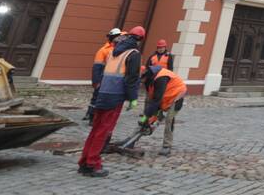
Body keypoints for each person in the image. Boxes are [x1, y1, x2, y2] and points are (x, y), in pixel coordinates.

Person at [77, 25, 145, 178]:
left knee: (96, 129)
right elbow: (132, 78)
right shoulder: (134, 54)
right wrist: (133, 98)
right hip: (116, 95)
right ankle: (92, 164)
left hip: (103, 92)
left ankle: (84, 161)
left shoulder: (113, 50)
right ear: (139, 40)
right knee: (103, 131)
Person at [139, 64, 186, 156]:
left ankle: (167, 145)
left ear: (146, 75)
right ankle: (131, 140)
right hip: (164, 97)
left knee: (169, 119)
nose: (141, 82)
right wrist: (145, 118)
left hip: (176, 96)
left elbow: (156, 100)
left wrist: (147, 115)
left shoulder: (161, 78)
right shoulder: (149, 80)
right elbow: (151, 99)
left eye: (141, 79)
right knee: (146, 118)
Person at [86, 27, 122, 123]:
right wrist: (96, 81)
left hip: (111, 80)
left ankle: (96, 115)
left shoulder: (119, 49)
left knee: (103, 98)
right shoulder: (103, 50)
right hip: (102, 78)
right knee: (97, 97)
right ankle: (91, 116)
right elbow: (97, 67)